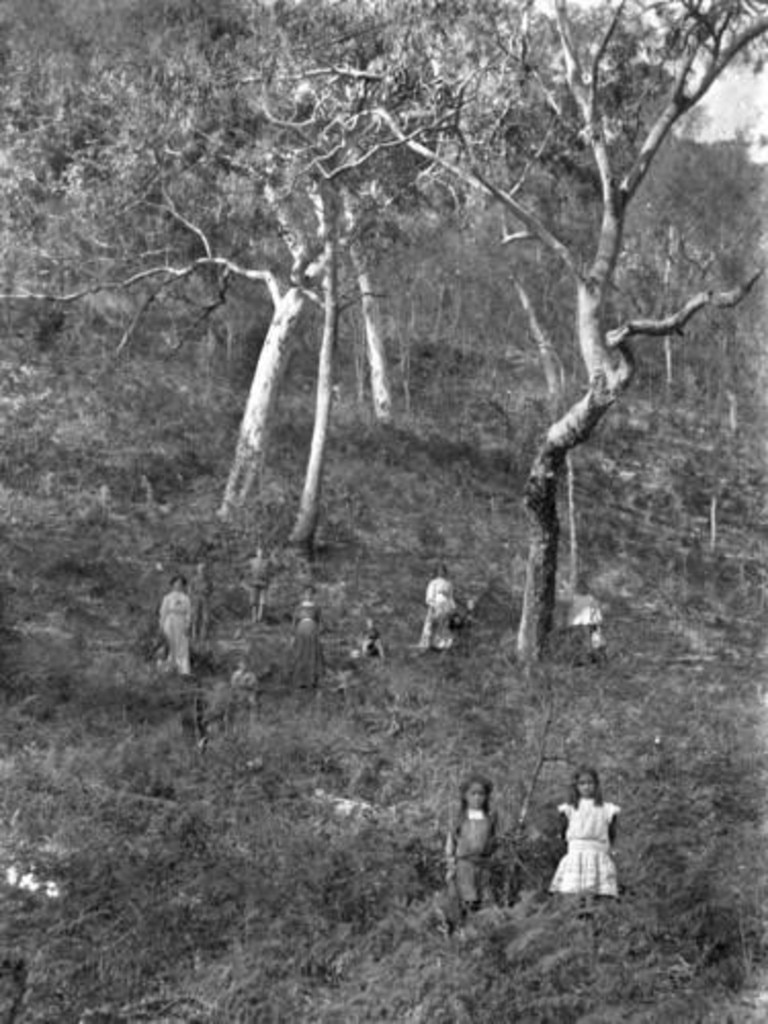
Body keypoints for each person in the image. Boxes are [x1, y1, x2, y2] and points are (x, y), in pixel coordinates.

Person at [549, 765, 620, 914]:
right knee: (572, 895)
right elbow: (563, 833)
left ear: (596, 785)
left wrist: (607, 850)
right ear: (576, 786)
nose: (586, 787)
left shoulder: (607, 809)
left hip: (598, 856)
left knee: (595, 899)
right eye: (582, 783)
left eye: (590, 783)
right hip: (575, 856)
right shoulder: (569, 809)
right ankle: (573, 930)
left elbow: (612, 834)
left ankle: (593, 931)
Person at [439, 774, 498, 934]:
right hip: (464, 866)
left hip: (483, 866)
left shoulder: (490, 819)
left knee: (483, 902)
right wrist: (450, 866)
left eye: (481, 794)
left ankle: (477, 936)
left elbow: (494, 842)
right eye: (473, 793)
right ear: (465, 796)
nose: (477, 798)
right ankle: (459, 933)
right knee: (465, 901)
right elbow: (451, 843)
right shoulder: (459, 819)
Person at [287, 584, 324, 689]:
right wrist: (292, 636)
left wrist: (320, 633)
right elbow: (294, 622)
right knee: (300, 654)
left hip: (312, 632)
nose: (308, 595)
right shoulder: (298, 608)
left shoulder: (316, 607)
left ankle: (312, 681)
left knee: (312, 654)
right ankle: (300, 681)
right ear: (303, 594)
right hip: (300, 632)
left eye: (311, 593)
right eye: (306, 593)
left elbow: (320, 622)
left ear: (313, 594)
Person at [158, 574, 192, 676]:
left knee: (182, 645)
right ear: (172, 584)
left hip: (181, 621)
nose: (178, 585)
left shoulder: (186, 598)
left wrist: (188, 624)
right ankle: (169, 668)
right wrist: (161, 625)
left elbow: (189, 612)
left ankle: (183, 670)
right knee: (170, 644)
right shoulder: (167, 597)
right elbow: (163, 612)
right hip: (170, 621)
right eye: (176, 583)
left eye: (181, 583)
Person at [419, 563, 456, 650]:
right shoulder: (433, 583)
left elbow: (450, 597)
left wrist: (452, 607)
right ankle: (428, 643)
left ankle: (442, 643)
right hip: (436, 605)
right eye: (439, 571)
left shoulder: (448, 583)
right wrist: (433, 604)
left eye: (442, 571)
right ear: (437, 572)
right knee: (431, 624)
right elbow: (429, 596)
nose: (441, 572)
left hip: (446, 606)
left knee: (444, 624)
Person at [190, 560, 213, 646]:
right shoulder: (194, 579)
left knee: (206, 618)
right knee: (195, 618)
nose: (203, 570)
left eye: (204, 569)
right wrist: (192, 598)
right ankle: (194, 635)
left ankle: (203, 636)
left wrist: (207, 593)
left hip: (205, 599)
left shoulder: (208, 580)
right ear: (197, 570)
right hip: (196, 599)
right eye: (201, 569)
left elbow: (211, 589)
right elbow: (190, 590)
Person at [245, 547, 270, 623]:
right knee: (253, 601)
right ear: (257, 553)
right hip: (254, 582)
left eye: (261, 552)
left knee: (262, 602)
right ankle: (254, 617)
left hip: (263, 583)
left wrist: (268, 581)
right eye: (259, 552)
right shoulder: (252, 561)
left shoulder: (266, 562)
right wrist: (247, 580)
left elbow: (268, 573)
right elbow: (248, 571)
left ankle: (260, 617)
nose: (260, 554)